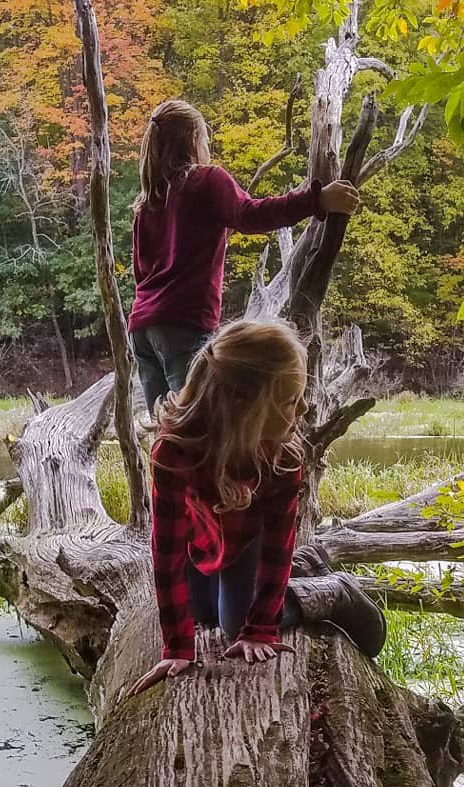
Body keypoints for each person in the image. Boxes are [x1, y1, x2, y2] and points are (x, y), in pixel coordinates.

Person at [129, 320, 387, 696]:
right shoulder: (173, 453)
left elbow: (277, 546)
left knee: (235, 624)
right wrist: (177, 647)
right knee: (201, 616)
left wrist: (260, 627)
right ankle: (304, 570)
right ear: (244, 408)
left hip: (247, 543)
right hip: (202, 546)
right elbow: (165, 551)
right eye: (288, 400)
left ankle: (333, 590)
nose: (303, 408)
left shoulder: (282, 457)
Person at [128, 99, 360, 415]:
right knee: (198, 424)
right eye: (205, 138)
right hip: (184, 324)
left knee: (164, 426)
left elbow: (140, 273)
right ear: (194, 140)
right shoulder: (206, 180)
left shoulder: (147, 205)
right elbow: (250, 216)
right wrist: (316, 199)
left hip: (142, 328)